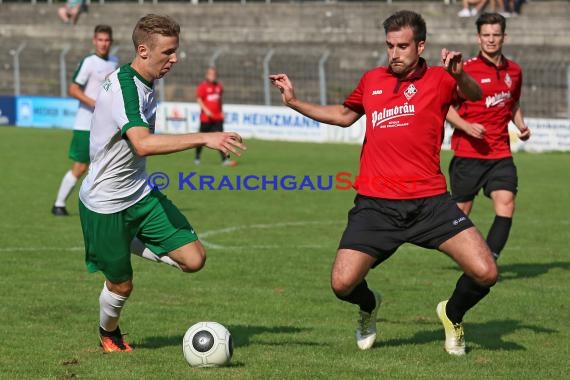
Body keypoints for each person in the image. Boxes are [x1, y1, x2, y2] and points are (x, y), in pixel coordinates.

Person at [270, 10, 497, 356]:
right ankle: (369, 304)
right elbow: (345, 116)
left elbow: (475, 94)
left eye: (402, 46)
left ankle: (452, 314)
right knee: (342, 284)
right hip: (376, 204)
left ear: (420, 46)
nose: (394, 53)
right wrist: (294, 102)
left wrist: (460, 74)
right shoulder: (372, 79)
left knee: (486, 272)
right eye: (389, 46)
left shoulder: (440, 79)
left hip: (430, 203)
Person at [78, 14, 245, 353]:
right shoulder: (126, 86)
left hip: (139, 193)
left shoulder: (145, 80)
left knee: (194, 260)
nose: (175, 58)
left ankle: (129, 240)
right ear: (143, 50)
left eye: (175, 51)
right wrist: (206, 137)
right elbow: (141, 143)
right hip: (105, 203)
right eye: (168, 52)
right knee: (122, 286)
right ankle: (108, 332)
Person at [446, 13, 531, 262]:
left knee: (506, 202)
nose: (491, 40)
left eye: (496, 35)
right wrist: (465, 125)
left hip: (500, 152)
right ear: (478, 37)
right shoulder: (465, 70)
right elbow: (445, 106)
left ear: (504, 37)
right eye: (486, 35)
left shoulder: (514, 70)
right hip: (468, 153)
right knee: (460, 213)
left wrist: (521, 125)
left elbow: (512, 104)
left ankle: (489, 258)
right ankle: (469, 256)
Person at [52, 25, 118, 216]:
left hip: (106, 126)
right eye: (100, 40)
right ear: (94, 40)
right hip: (85, 125)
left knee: (107, 166)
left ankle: (104, 206)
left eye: (107, 40)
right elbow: (73, 89)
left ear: (111, 42)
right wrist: (95, 104)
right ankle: (59, 203)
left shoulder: (114, 62)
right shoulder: (89, 62)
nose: (103, 43)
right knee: (81, 167)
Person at [194, 67, 237, 166]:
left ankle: (224, 160)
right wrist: (206, 110)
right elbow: (199, 100)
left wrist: (222, 111)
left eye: (214, 74)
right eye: (210, 74)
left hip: (217, 118)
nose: (212, 76)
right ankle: (197, 158)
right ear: (207, 75)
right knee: (201, 139)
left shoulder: (219, 87)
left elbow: (220, 100)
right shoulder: (203, 87)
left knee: (222, 139)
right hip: (206, 118)